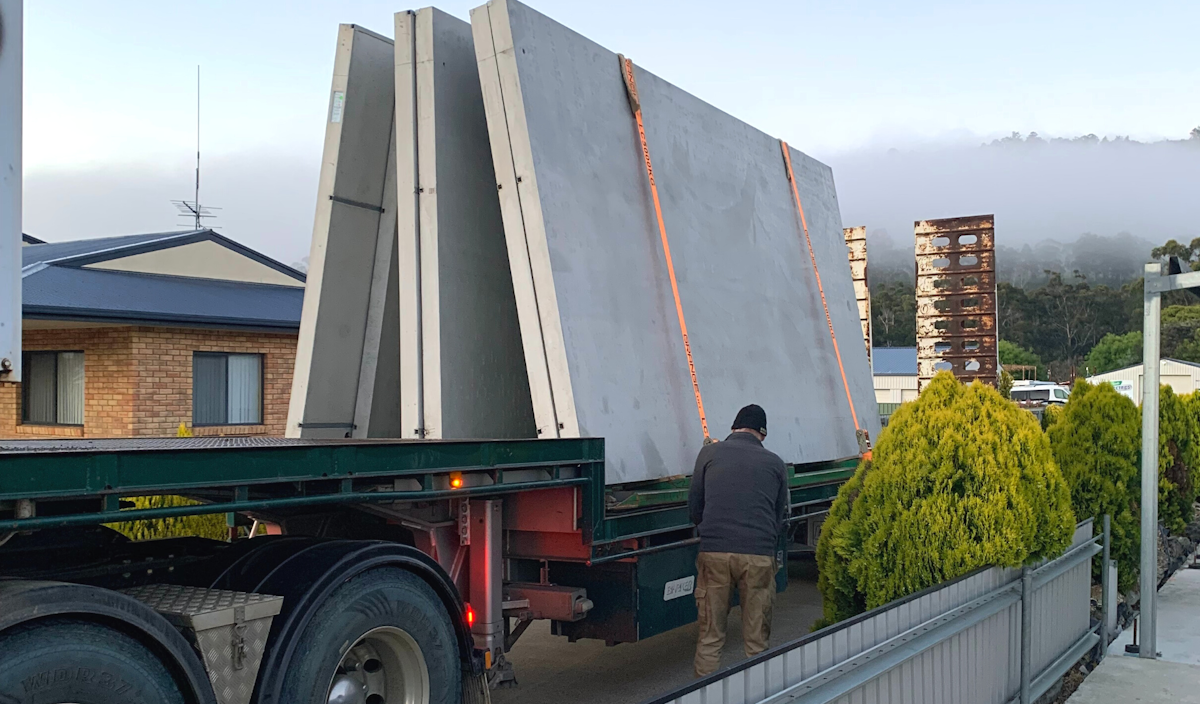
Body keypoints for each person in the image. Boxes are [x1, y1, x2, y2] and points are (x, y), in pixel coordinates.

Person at [686, 404, 788, 678]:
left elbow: (695, 505)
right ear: (762, 434)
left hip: (715, 552)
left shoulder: (708, 453)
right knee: (756, 642)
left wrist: (711, 530)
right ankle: (758, 694)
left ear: (733, 428)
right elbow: (779, 516)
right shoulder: (775, 463)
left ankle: (704, 696)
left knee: (710, 637)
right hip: (758, 555)